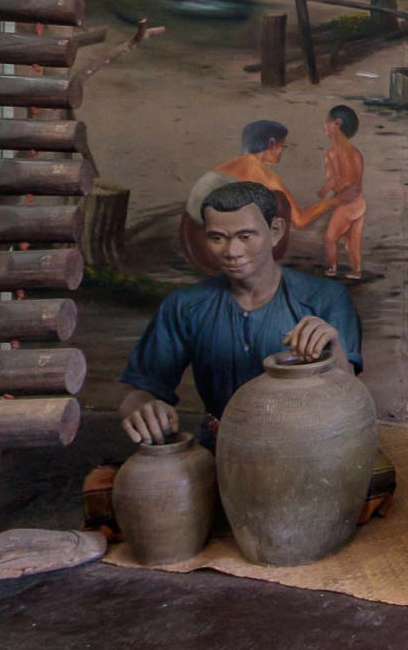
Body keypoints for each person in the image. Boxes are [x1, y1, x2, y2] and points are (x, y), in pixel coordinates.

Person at [118, 180, 389, 514]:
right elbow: (140, 391)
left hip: (308, 455)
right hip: (219, 453)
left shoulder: (325, 299)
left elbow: (348, 393)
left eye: (246, 236)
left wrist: (334, 349)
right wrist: (142, 408)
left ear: (275, 232)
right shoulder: (185, 306)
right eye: (217, 238)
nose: (232, 251)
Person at [320, 105, 367, 281]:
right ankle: (356, 271)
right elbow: (353, 178)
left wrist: (328, 191)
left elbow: (343, 179)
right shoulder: (356, 152)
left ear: (337, 124)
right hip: (359, 202)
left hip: (347, 203)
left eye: (327, 121)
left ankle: (332, 268)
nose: (324, 124)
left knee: (330, 237)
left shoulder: (335, 153)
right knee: (353, 240)